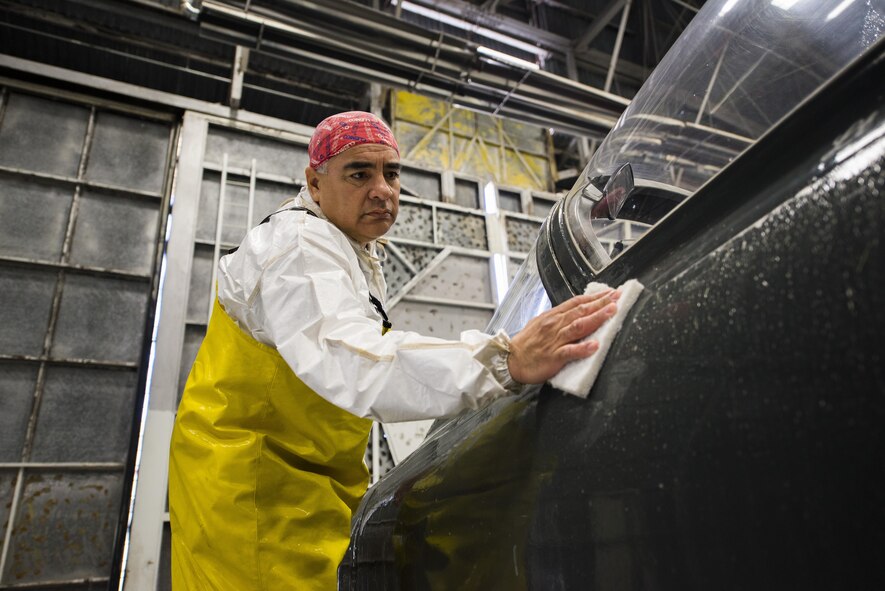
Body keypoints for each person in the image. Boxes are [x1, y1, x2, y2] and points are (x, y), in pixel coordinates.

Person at [168, 111, 619, 590]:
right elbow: (351, 358)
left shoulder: (345, 246)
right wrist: (504, 360)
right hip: (252, 485)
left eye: (392, 172)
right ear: (315, 184)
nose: (382, 189)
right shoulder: (297, 246)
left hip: (307, 480)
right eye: (359, 173)